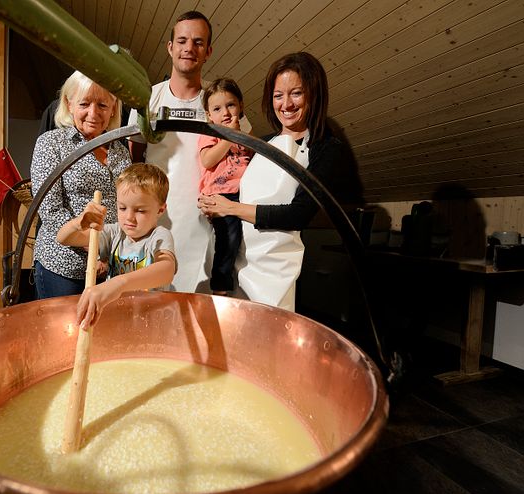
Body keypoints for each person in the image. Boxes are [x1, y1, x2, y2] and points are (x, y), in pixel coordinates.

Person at [198, 52, 363, 310]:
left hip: (274, 277)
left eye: (296, 93)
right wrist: (215, 206)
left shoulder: (326, 148)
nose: (286, 104)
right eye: (278, 95)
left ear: (314, 94)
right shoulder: (263, 144)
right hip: (238, 266)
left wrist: (230, 208)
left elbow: (297, 215)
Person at [127, 11, 250, 294]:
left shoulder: (219, 102)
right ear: (170, 48)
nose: (188, 48)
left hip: (208, 224)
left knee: (201, 312)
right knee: (154, 308)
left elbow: (243, 152)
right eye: (182, 41)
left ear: (208, 51)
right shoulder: (148, 99)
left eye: (197, 42)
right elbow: (135, 160)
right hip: (157, 221)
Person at [31, 70, 131, 299]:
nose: (93, 113)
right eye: (84, 104)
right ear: (69, 104)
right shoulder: (51, 144)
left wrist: (108, 254)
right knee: (62, 332)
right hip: (63, 267)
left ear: (114, 107)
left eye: (103, 105)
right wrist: (95, 250)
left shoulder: (120, 151)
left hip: (110, 269)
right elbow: (51, 211)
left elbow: (126, 204)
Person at [57, 163, 176, 329]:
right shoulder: (114, 233)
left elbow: (166, 269)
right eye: (122, 208)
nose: (129, 218)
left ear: (161, 210)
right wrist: (78, 223)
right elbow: (65, 238)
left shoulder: (159, 236)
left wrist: (119, 284)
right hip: (117, 320)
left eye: (140, 211)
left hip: (151, 323)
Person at [197, 78, 253, 296]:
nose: (226, 112)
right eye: (217, 108)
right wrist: (229, 138)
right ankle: (220, 286)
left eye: (231, 105)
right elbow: (207, 160)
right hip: (220, 194)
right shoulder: (210, 133)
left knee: (244, 241)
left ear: (240, 107)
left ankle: (243, 287)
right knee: (228, 237)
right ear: (210, 115)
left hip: (243, 194)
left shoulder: (245, 135)